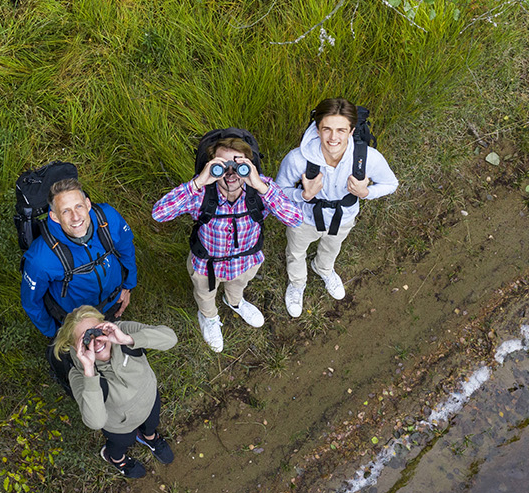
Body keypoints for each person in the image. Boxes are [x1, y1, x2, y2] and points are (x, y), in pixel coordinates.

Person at [152, 134, 302, 352]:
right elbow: (159, 213)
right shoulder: (201, 192)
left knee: (238, 286)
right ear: (210, 166)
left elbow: (295, 219)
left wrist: (260, 186)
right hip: (207, 266)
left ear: (250, 165)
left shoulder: (262, 189)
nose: (231, 173)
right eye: (222, 165)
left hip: (246, 262)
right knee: (205, 295)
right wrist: (199, 181)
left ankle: (235, 302)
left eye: (239, 164)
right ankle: (209, 317)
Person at [276, 98, 398, 317]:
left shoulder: (367, 158)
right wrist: (303, 195)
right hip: (303, 218)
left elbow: (391, 184)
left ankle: (322, 268)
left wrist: (366, 193)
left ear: (351, 130)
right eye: (327, 129)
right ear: (317, 128)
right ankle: (297, 283)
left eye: (341, 130)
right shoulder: (297, 159)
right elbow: (278, 192)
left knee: (332, 247)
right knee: (296, 252)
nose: (333, 138)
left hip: (344, 217)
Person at [54, 305, 178, 479]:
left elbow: (170, 339)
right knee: (121, 443)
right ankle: (115, 458)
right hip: (120, 426)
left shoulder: (122, 331)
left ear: (104, 325)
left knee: (152, 422)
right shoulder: (79, 373)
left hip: (149, 399)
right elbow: (96, 422)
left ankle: (149, 437)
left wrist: (127, 339)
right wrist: (89, 370)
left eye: (95, 332)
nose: (95, 342)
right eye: (85, 341)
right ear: (75, 348)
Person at [20, 179, 137, 339]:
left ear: (88, 204)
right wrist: (55, 333)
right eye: (65, 211)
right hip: (76, 322)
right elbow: (31, 302)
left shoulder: (108, 218)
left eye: (79, 206)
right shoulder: (40, 259)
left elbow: (126, 248)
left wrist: (128, 286)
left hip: (113, 302)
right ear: (54, 216)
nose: (75, 217)